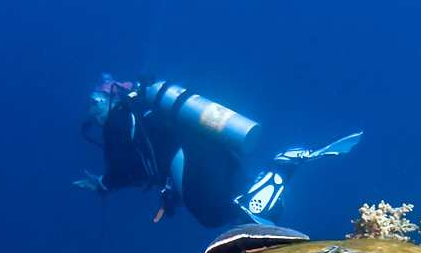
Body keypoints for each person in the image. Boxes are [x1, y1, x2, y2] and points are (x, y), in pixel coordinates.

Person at [76, 76, 360, 228]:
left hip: (186, 155)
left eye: (94, 106)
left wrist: (103, 184)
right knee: (246, 206)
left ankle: (281, 166)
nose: (95, 115)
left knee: (212, 215)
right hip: (213, 146)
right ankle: (277, 172)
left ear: (105, 99)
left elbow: (125, 166)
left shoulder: (118, 119)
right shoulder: (146, 108)